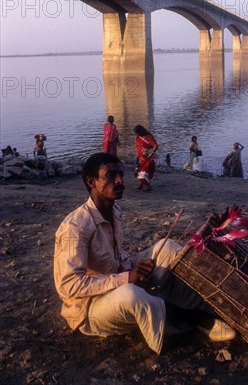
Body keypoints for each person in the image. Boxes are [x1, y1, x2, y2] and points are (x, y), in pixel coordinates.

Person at [53, 152, 235, 355]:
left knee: (166, 247)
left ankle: (207, 303)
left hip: (114, 280)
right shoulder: (75, 227)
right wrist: (126, 279)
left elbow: (115, 254)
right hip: (88, 309)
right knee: (131, 294)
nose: (120, 180)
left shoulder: (114, 211)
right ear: (91, 182)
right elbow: (68, 286)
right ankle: (194, 318)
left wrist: (132, 270)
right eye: (111, 175)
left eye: (121, 174)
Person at [134, 124, 158, 191]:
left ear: (141, 131)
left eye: (137, 133)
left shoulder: (148, 137)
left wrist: (151, 153)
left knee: (144, 172)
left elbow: (155, 146)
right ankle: (142, 184)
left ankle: (148, 186)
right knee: (140, 171)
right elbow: (138, 147)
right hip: (141, 158)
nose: (137, 134)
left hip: (148, 158)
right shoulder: (138, 137)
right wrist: (138, 157)